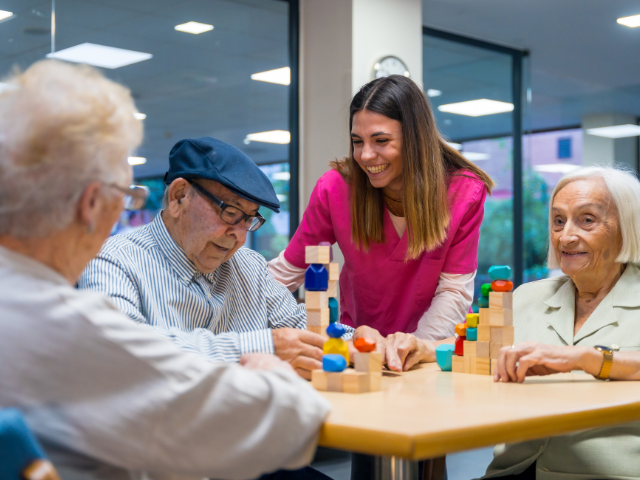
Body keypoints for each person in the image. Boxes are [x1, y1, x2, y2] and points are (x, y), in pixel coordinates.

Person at [0, 59, 331, 480]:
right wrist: (267, 363)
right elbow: (277, 423)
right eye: (126, 195)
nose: (238, 234)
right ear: (91, 204)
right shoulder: (67, 326)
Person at [269, 75, 494, 372]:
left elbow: (453, 291)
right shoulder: (336, 189)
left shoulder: (463, 191)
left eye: (381, 141)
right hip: (358, 352)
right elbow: (286, 273)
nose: (366, 155)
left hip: (423, 355)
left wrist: (414, 347)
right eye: (357, 141)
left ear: (415, 138)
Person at [78, 137, 345, 379]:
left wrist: (360, 341)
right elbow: (122, 350)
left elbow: (306, 326)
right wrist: (265, 347)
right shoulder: (112, 261)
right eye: (230, 212)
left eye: (250, 219)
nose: (239, 236)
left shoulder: (250, 267)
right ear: (179, 196)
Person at [488, 166, 640, 480]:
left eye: (587, 220)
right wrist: (417, 345)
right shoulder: (527, 297)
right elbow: (470, 350)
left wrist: (585, 359)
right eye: (559, 221)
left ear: (628, 228)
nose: (566, 236)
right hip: (514, 469)